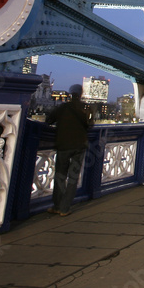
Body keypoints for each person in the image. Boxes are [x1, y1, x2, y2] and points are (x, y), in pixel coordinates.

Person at [46, 84, 94, 216]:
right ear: (81, 94)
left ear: (70, 93)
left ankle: (57, 205)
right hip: (80, 145)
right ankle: (65, 208)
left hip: (63, 145)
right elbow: (90, 125)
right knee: (73, 177)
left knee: (60, 176)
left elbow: (48, 120)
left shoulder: (62, 107)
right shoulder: (86, 108)